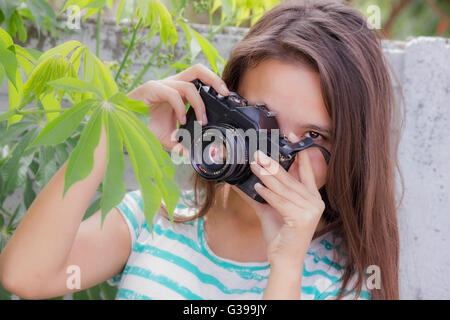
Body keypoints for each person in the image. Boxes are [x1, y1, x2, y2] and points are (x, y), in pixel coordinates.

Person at [0, 0, 402, 300]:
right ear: (225, 106)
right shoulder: (160, 214)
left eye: (314, 136)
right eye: (263, 118)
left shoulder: (348, 279)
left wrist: (286, 264)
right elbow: (25, 274)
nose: (277, 154)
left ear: (352, 148)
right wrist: (116, 127)